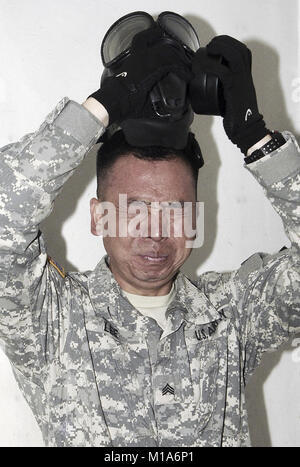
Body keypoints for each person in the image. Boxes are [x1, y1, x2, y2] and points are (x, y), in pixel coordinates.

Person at [0, 27, 299, 447]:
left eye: (175, 211)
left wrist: (258, 141)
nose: (155, 232)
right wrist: (100, 109)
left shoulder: (232, 314)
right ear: (98, 217)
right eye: (135, 209)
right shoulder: (53, 317)